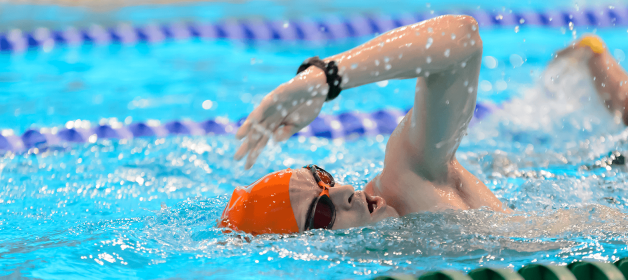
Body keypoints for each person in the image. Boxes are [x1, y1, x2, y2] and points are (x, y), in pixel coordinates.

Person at [218, 15, 625, 235]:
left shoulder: (404, 177)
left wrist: (325, 79)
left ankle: (593, 58)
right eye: (322, 212)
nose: (343, 190)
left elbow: (462, 39)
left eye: (322, 177)